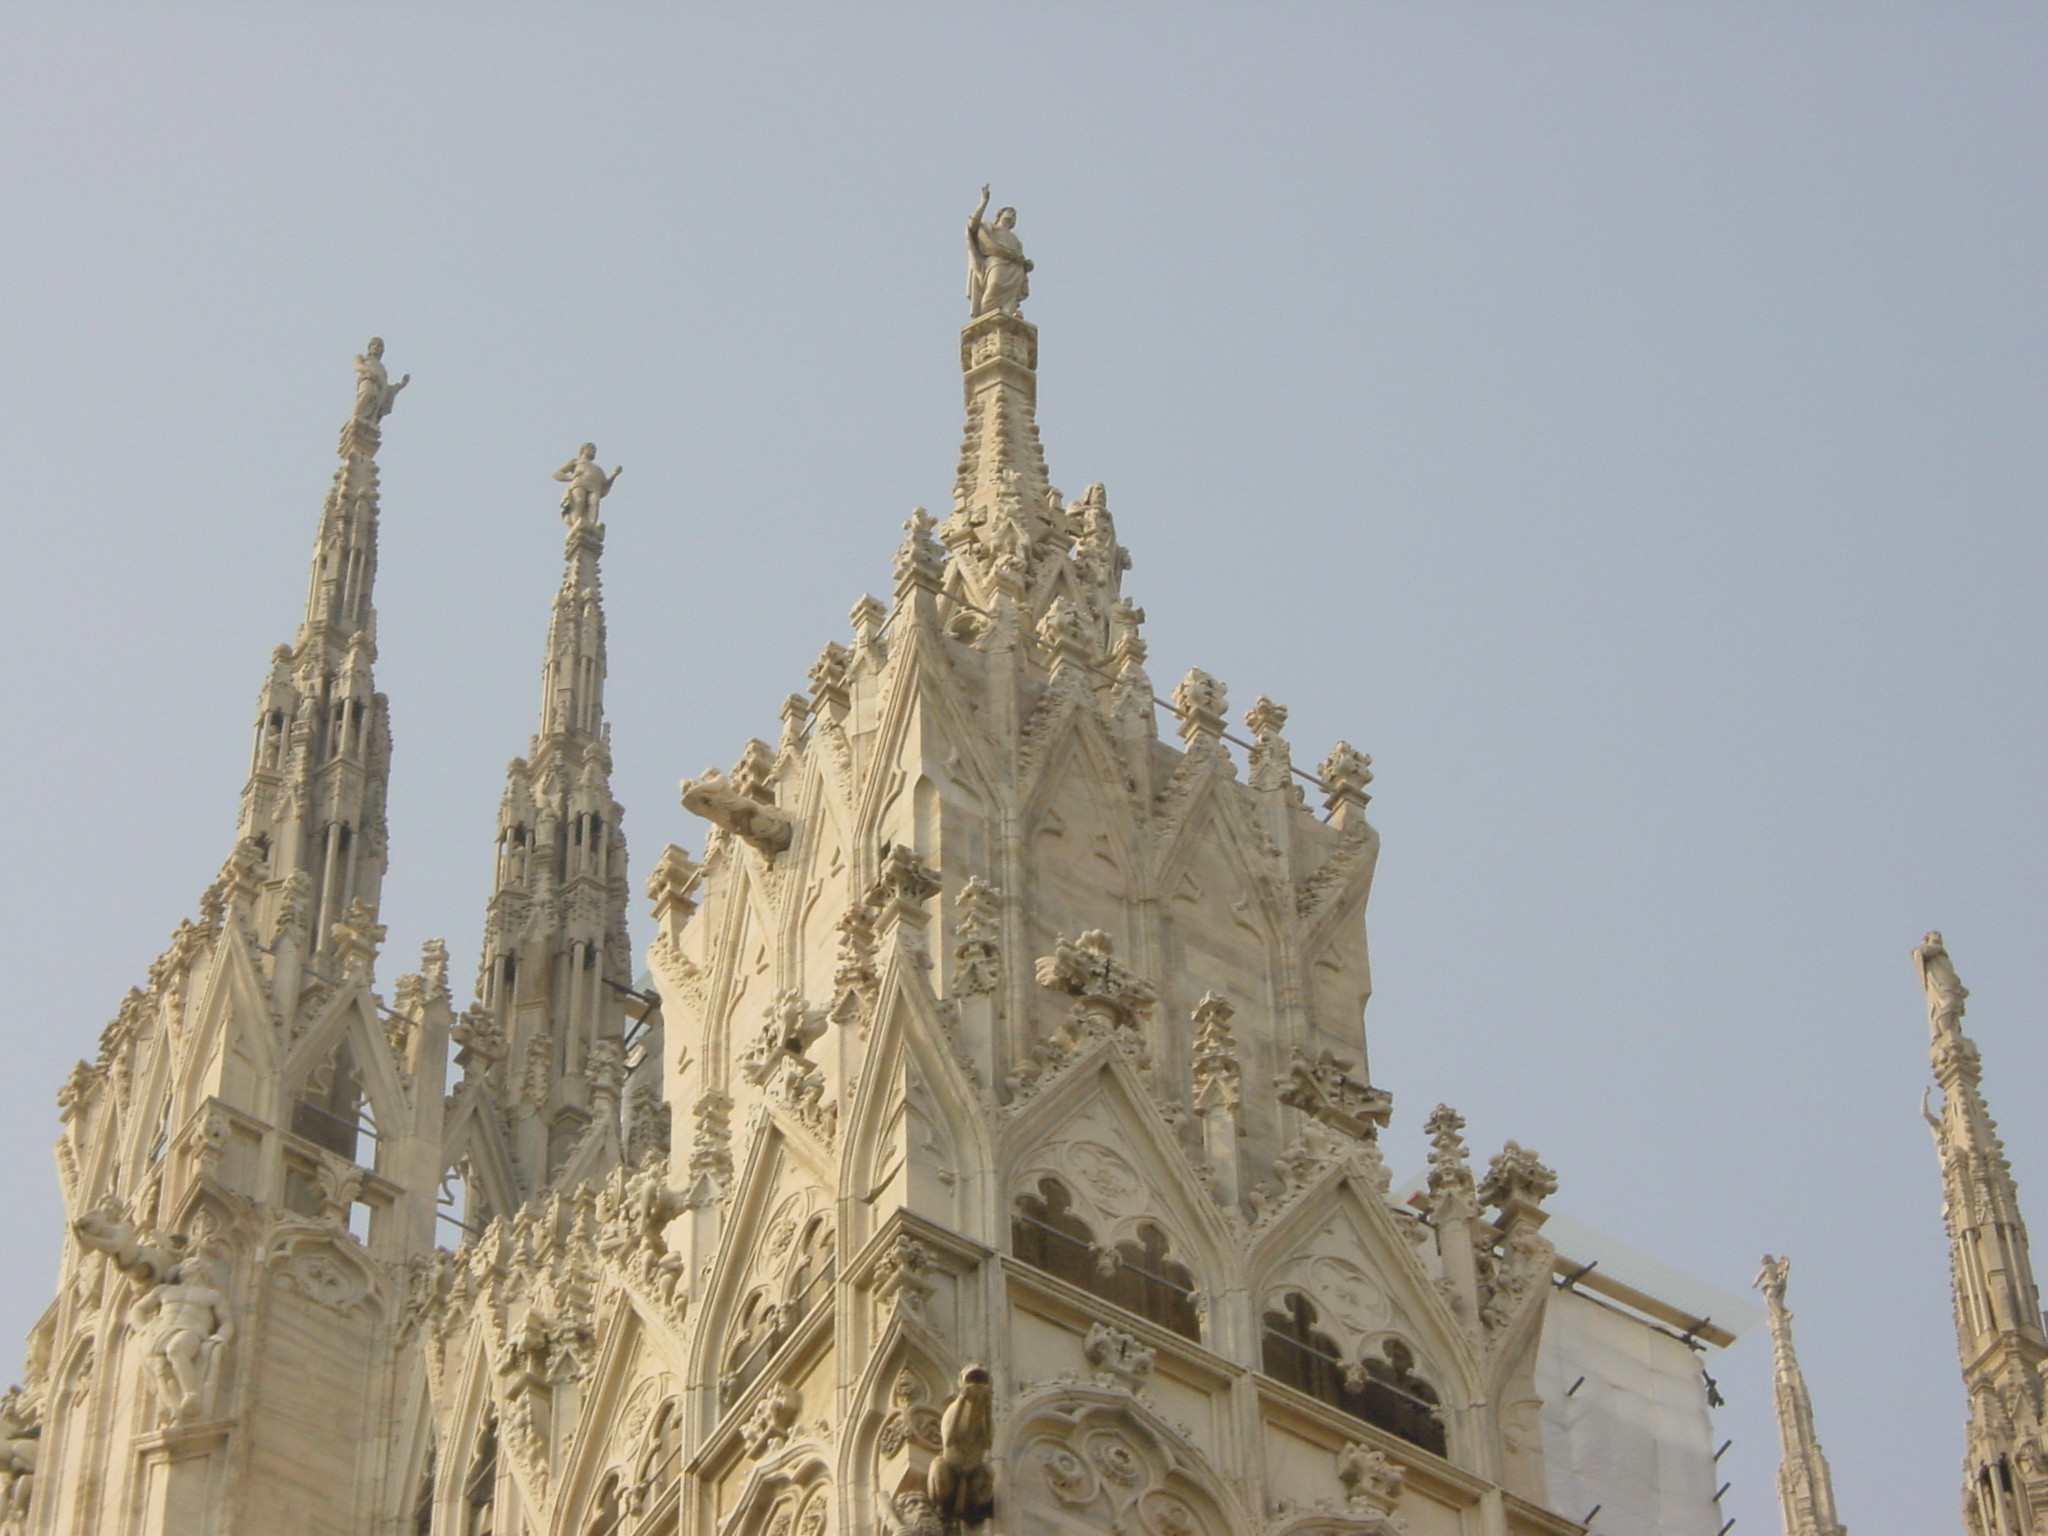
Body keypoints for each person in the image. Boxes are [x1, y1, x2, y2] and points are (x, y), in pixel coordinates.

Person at [966, 186, 1032, 317]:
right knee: (994, 284)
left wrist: (1026, 263)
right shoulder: (989, 227)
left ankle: (1008, 314)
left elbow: (1020, 256)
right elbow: (973, 225)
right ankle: (986, 314)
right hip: (997, 261)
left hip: (1015, 267)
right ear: (1000, 215)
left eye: (1015, 215)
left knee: (1010, 296)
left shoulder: (1015, 239)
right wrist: (984, 201)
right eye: (1010, 212)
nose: (1013, 215)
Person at [552, 443, 623, 524]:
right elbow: (557, 474)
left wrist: (614, 474)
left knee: (594, 502)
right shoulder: (576, 461)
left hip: (594, 488)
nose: (594, 451)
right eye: (591, 448)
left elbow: (604, 487)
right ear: (583, 450)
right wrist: (570, 478)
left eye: (595, 450)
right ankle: (576, 522)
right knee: (579, 500)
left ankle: (591, 524)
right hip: (579, 484)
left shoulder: (598, 469)